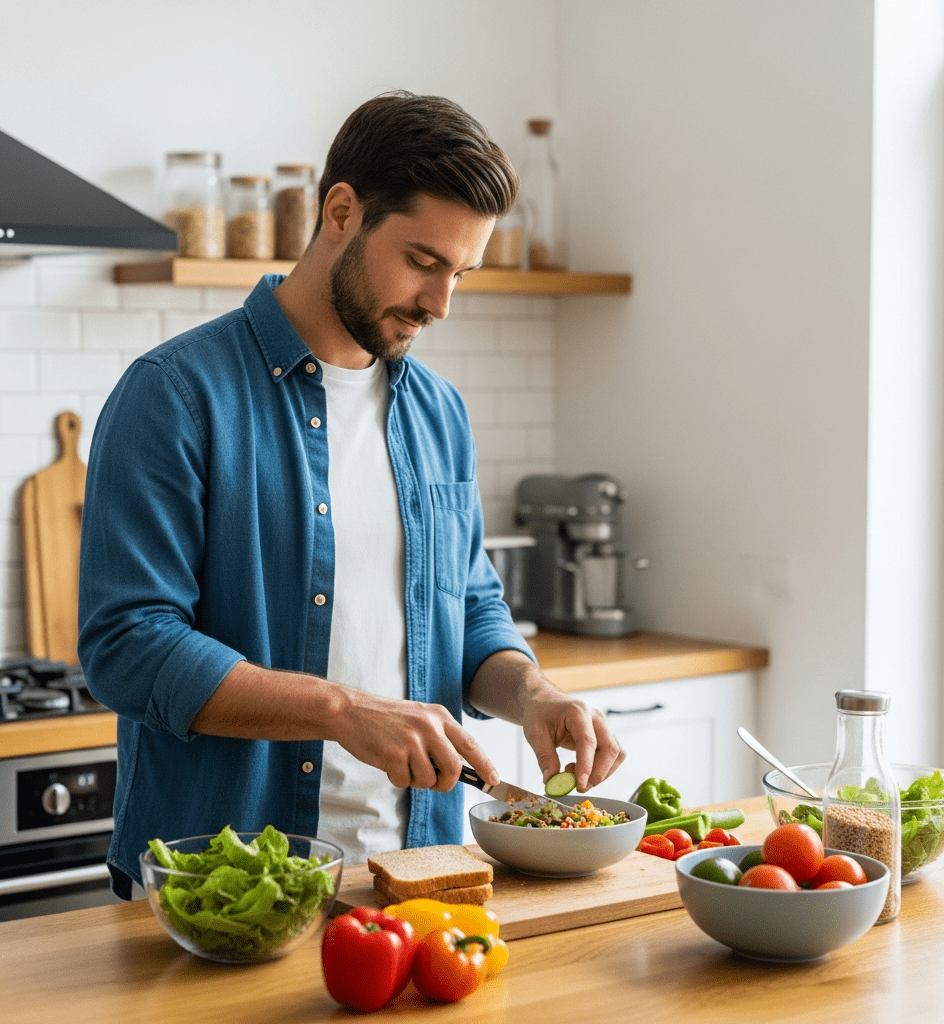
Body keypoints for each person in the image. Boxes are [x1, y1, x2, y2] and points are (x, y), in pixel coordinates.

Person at [78, 91, 625, 900]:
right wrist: (341, 710)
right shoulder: (175, 395)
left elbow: (468, 607)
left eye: (461, 274)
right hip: (226, 887)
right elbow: (128, 646)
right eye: (424, 262)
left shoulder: (438, 412)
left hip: (416, 873)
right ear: (342, 211)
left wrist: (530, 692)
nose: (441, 304)